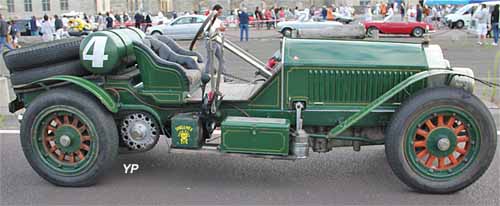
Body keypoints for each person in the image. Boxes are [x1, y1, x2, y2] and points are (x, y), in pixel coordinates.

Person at [205, 4, 231, 82]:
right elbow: (209, 30)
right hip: (211, 41)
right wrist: (218, 28)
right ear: (215, 11)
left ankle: (225, 76)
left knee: (221, 59)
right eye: (219, 12)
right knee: (210, 59)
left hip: (217, 41)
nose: (220, 14)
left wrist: (221, 28)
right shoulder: (209, 19)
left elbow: (222, 28)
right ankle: (206, 75)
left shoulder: (218, 20)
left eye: (221, 12)